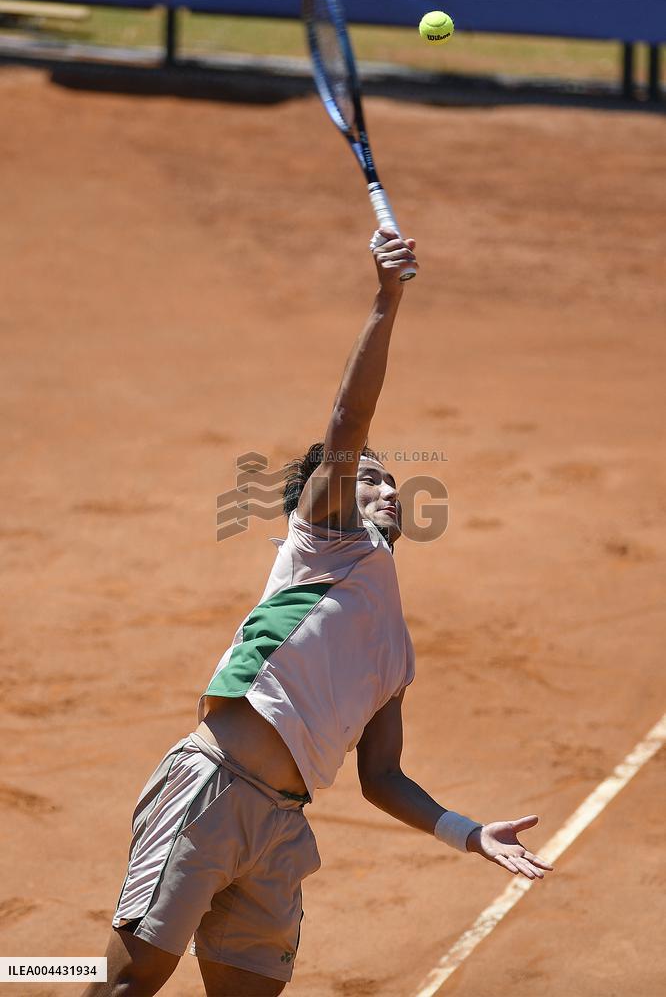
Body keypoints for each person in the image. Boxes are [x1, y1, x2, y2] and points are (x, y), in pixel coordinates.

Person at [85, 229, 552, 997]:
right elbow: (347, 416)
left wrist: (468, 834)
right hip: (212, 789)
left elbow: (382, 776)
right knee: (124, 986)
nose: (385, 488)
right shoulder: (324, 543)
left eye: (391, 481)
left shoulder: (395, 652)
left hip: (281, 828)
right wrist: (386, 298)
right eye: (368, 478)